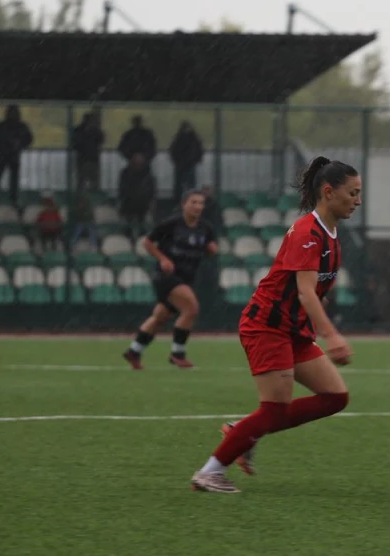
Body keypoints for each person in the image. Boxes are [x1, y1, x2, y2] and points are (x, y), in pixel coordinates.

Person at [190, 157, 359, 494]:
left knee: (335, 397)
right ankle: (209, 472)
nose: (357, 200)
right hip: (267, 326)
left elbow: (313, 294)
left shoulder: (332, 233)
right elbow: (306, 292)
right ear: (328, 192)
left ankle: (243, 429)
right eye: (352, 193)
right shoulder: (307, 233)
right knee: (274, 408)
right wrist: (332, 335)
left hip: (293, 329)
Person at [122, 190, 219, 371]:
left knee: (160, 317)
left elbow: (210, 247)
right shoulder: (172, 224)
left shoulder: (205, 228)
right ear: (184, 204)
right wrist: (163, 259)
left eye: (201, 203)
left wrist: (211, 249)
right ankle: (178, 354)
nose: (198, 206)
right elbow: (148, 242)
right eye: (194, 202)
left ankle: (134, 351)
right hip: (167, 277)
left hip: (186, 277)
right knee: (191, 308)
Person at [0, 105, 33, 198]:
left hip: (11, 156)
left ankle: (12, 198)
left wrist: (20, 144)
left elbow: (29, 139)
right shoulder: (3, 126)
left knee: (12, 180)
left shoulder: (4, 126)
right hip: (3, 156)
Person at [117, 153, 156, 232]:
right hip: (128, 204)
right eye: (136, 163)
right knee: (127, 226)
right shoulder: (125, 174)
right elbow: (122, 190)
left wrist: (151, 204)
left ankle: (140, 236)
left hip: (143, 205)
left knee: (142, 226)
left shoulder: (148, 176)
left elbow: (151, 192)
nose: (138, 165)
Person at [169, 121, 204, 199]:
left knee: (189, 184)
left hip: (188, 164)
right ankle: (180, 200)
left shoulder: (190, 139)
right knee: (182, 184)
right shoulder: (191, 138)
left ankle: (187, 199)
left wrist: (195, 159)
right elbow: (173, 151)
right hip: (183, 165)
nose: (186, 130)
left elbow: (198, 150)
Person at [71, 111, 105, 191]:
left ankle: (88, 196)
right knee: (83, 179)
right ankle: (82, 197)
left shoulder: (92, 130)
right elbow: (101, 140)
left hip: (88, 158)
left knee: (90, 179)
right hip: (86, 158)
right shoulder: (92, 130)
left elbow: (101, 140)